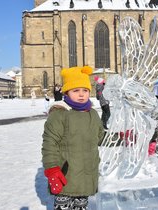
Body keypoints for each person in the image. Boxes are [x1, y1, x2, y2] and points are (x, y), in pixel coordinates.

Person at [42, 66, 105, 210]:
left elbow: (101, 137)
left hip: (86, 178)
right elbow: (49, 144)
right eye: (76, 90)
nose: (81, 94)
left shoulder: (93, 115)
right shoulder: (59, 115)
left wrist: (121, 137)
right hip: (65, 177)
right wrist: (52, 169)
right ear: (67, 92)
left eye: (85, 90)